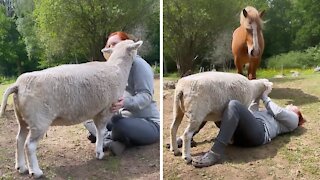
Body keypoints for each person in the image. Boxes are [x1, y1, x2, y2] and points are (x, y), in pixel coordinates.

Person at [191, 84, 306, 168]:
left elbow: (278, 112)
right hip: (246, 130)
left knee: (234, 105)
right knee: (217, 105)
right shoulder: (269, 112)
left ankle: (215, 153)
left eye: (293, 106)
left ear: (297, 113)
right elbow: (252, 111)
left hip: (259, 133)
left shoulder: (294, 120)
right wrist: (257, 94)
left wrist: (265, 96)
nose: (291, 104)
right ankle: (188, 136)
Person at [84, 31, 160, 155]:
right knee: (87, 115)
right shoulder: (111, 69)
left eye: (115, 44)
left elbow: (146, 96)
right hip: (119, 118)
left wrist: (124, 102)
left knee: (119, 126)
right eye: (108, 46)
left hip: (147, 123)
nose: (111, 48)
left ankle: (106, 137)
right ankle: (110, 141)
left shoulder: (139, 65)